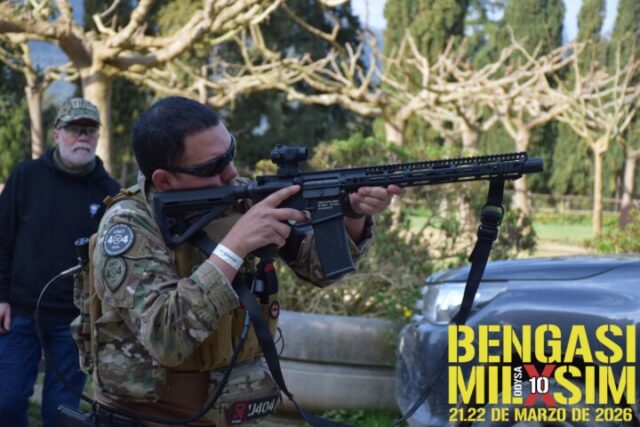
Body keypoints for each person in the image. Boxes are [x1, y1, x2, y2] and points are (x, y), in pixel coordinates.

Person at [88, 96, 402, 427]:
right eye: (212, 167)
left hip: (229, 414)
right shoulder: (128, 225)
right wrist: (235, 246)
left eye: (230, 153)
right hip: (149, 418)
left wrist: (352, 214)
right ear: (165, 180)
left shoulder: (239, 197)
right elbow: (166, 337)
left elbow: (318, 269)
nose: (232, 172)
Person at [0, 97, 120, 427]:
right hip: (20, 313)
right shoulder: (25, 176)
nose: (82, 136)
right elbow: (2, 239)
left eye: (89, 130)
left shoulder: (110, 193)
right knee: (6, 402)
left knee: (62, 412)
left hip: (75, 321)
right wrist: (1, 296)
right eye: (73, 129)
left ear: (97, 136)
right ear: (56, 134)